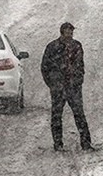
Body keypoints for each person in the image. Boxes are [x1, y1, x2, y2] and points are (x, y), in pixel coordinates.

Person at [40, 22, 95, 152]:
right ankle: (58, 143)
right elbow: (45, 67)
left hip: (73, 86)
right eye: (67, 32)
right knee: (57, 115)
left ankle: (86, 143)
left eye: (71, 32)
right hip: (58, 87)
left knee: (79, 114)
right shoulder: (52, 47)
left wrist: (78, 80)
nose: (70, 35)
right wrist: (52, 83)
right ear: (62, 32)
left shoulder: (77, 46)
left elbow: (80, 65)